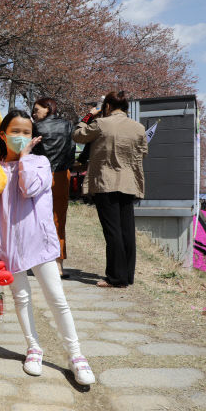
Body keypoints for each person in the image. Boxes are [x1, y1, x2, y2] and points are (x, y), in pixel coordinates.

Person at [0, 110, 95, 385]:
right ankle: (33, 347)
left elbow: (30, 187)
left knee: (57, 299)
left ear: (34, 137)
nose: (21, 137)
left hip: (40, 244)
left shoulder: (41, 163)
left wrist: (23, 159)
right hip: (8, 247)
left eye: (27, 133)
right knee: (21, 299)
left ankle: (76, 355)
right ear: (2, 134)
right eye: (15, 132)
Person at [73, 91, 147, 288]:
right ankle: (127, 276)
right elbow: (143, 152)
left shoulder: (101, 124)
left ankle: (115, 277)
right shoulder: (138, 128)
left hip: (106, 182)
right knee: (127, 231)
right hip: (129, 183)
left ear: (107, 107)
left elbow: (78, 135)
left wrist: (89, 116)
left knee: (112, 231)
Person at [32, 97, 75, 278]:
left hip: (39, 174)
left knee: (36, 219)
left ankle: (38, 262)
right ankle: (59, 264)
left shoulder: (36, 128)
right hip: (61, 175)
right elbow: (72, 149)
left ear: (48, 109)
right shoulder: (68, 125)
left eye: (36, 110)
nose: (34, 114)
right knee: (59, 219)